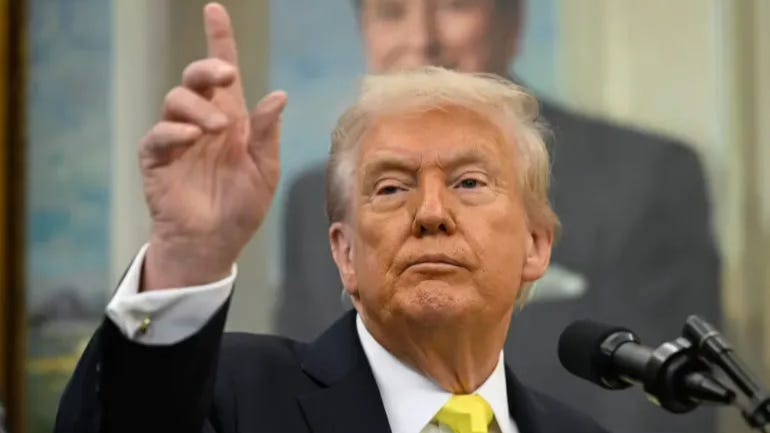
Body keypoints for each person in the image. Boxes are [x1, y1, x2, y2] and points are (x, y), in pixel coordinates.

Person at [54, 4, 608, 433]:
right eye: (391, 188)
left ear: (536, 245)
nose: (431, 213)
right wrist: (187, 256)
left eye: (468, 183)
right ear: (344, 253)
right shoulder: (233, 397)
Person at [276, 1, 720, 432]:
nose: (422, 38)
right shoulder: (312, 200)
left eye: (455, 6)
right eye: (391, 12)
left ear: (512, 22)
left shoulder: (643, 175)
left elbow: (667, 407)